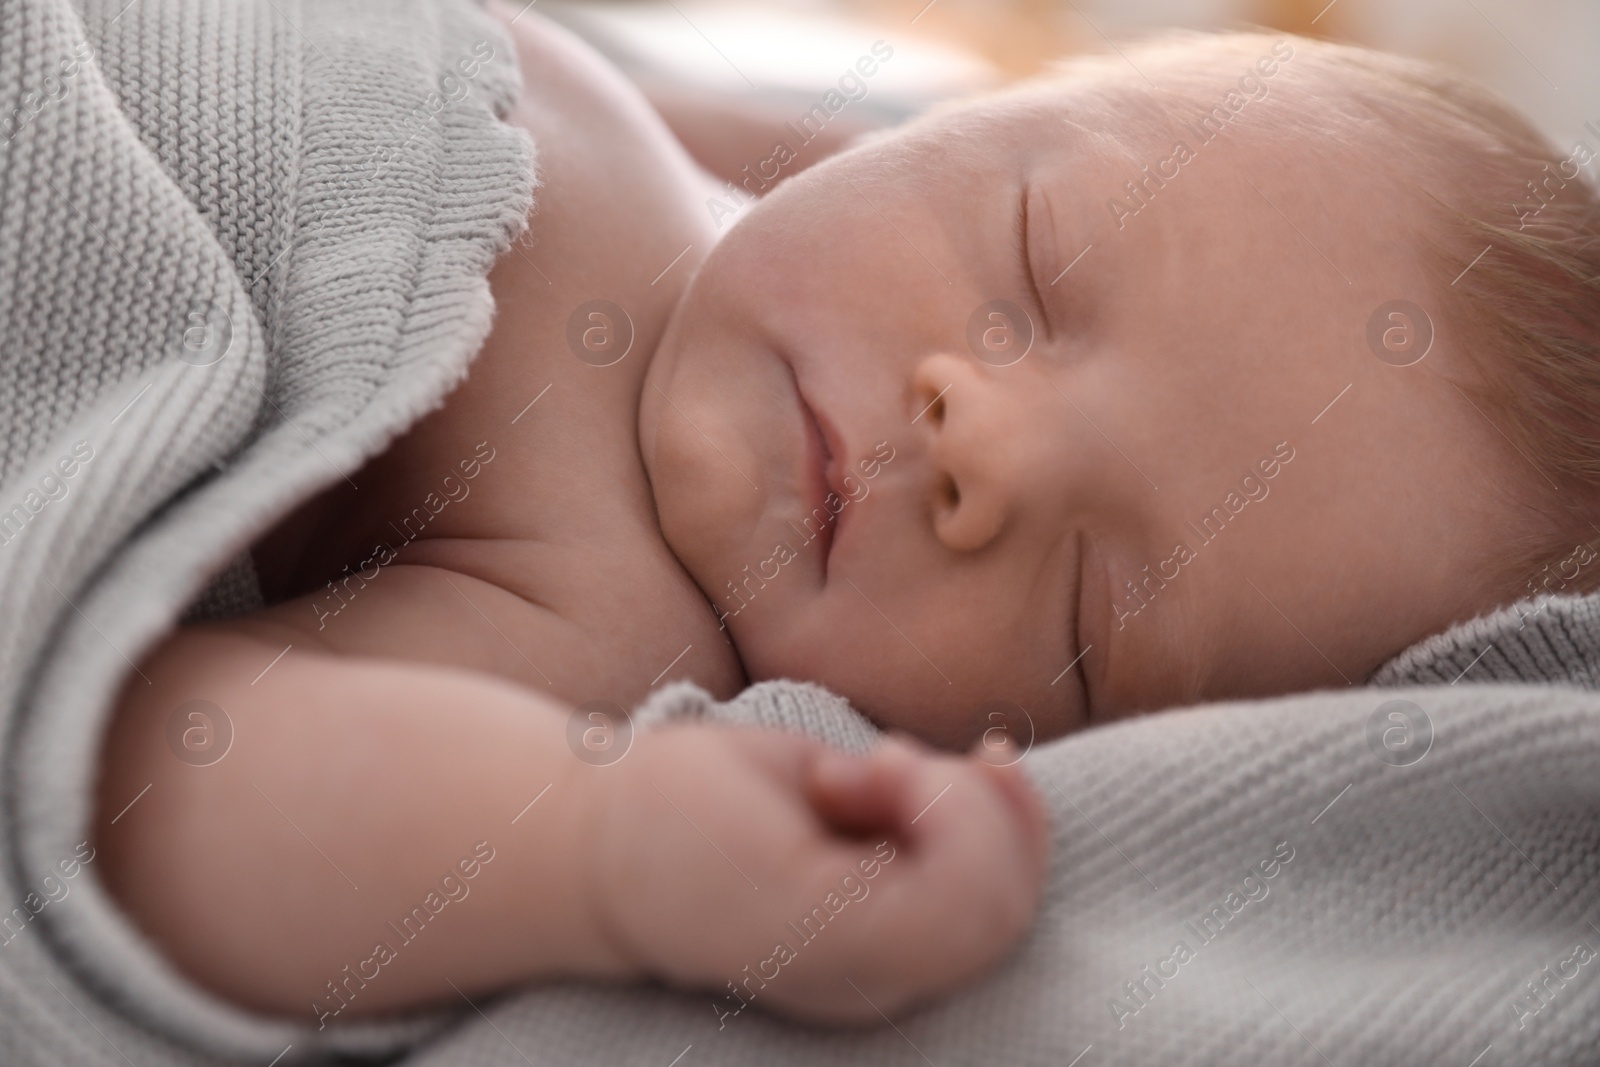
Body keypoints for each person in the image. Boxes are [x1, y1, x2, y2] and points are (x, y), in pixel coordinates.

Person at [93, 2, 1600, 1040]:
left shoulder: (595, 608)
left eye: (1089, 616)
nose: (979, 445)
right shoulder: (731, 159)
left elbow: (149, 793)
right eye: (1037, 256)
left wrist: (604, 851)